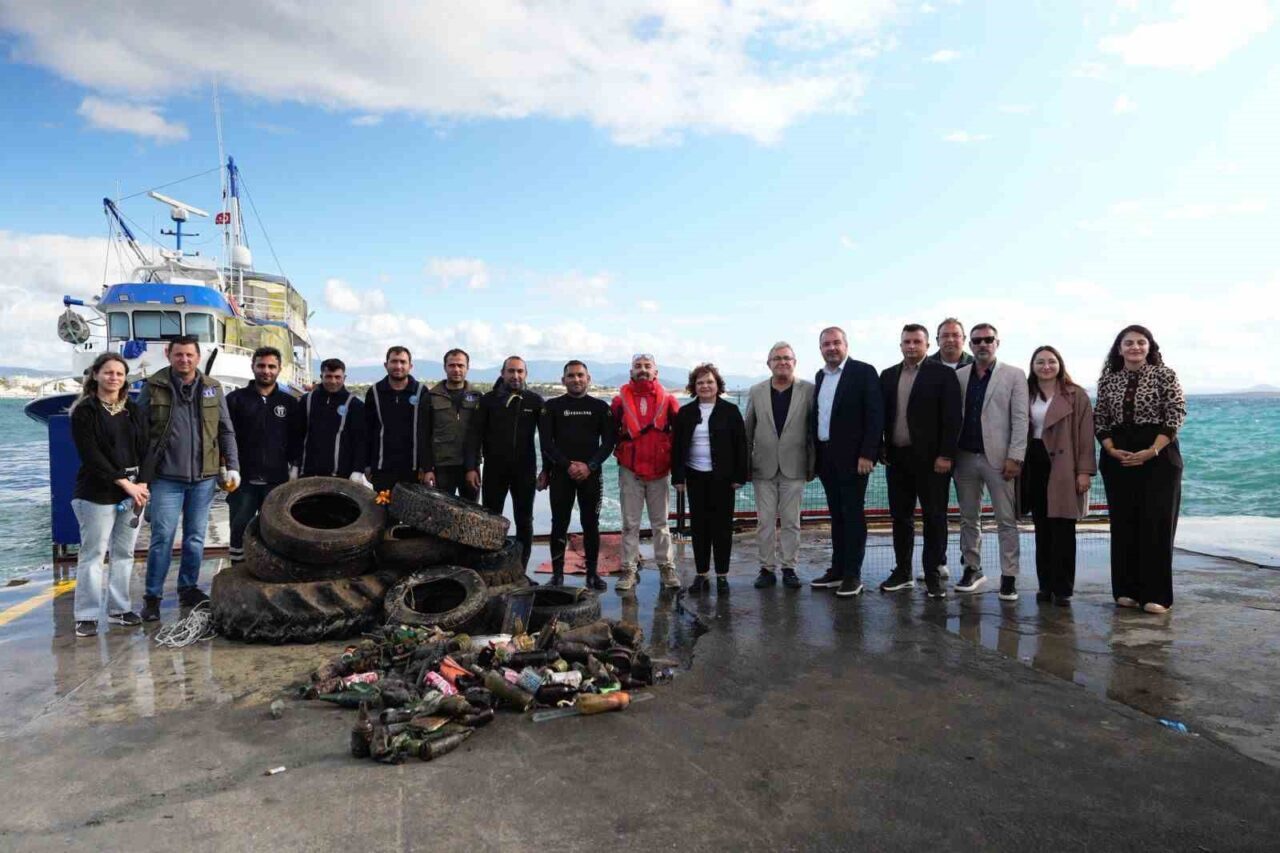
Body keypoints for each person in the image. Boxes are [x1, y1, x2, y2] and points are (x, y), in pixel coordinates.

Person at [137, 335, 239, 621]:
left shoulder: (212, 387)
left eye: (189, 355)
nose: (184, 359)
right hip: (165, 478)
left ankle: (188, 588)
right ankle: (152, 597)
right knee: (162, 538)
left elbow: (225, 429)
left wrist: (232, 465)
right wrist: (140, 474)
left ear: (198, 357)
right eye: (179, 355)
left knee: (195, 538)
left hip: (203, 479)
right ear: (169, 355)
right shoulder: (153, 386)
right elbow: (139, 430)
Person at [1095, 325, 1185, 614]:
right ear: (1119, 348)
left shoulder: (1165, 375)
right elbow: (1100, 419)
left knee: (1156, 524)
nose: (1135, 347)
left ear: (1149, 347)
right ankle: (1126, 590)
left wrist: (1152, 451)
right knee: (1124, 523)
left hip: (1159, 455)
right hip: (1118, 456)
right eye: (1129, 343)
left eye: (1141, 342)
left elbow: (1176, 413)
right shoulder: (1108, 380)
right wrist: (1110, 449)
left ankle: (1156, 595)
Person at [878, 324, 962, 599]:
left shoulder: (943, 375)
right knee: (900, 518)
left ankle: (933, 574)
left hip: (932, 461)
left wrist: (946, 455)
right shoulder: (888, 375)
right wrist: (880, 448)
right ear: (900, 345)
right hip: (897, 459)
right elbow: (881, 416)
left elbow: (952, 418)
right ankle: (903, 572)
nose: (911, 346)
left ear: (928, 345)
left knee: (934, 518)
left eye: (917, 341)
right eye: (907, 342)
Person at [68, 353, 150, 637]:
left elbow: (147, 449)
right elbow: (91, 455)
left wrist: (143, 483)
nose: (114, 377)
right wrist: (126, 484)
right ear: (96, 375)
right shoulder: (85, 411)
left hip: (134, 492)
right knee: (93, 554)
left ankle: (119, 610)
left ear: (125, 379)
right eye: (108, 372)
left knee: (124, 553)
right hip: (97, 492)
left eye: (119, 373)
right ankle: (86, 615)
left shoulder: (133, 410)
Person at [954, 323, 1028, 600]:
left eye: (988, 339)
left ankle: (1009, 576)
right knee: (968, 518)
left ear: (997, 342)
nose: (983, 344)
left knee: (1005, 519)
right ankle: (972, 568)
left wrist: (1015, 456)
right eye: (977, 340)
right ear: (970, 345)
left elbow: (1020, 418)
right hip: (964, 456)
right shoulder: (960, 376)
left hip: (999, 459)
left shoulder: (1014, 375)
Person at [1021, 345, 1096, 605]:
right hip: (1034, 461)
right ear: (1032, 366)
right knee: (1041, 528)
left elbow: (1086, 436)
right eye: (1040, 362)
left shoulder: (1076, 395)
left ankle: (1063, 589)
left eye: (1051, 361)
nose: (1046, 366)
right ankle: (1045, 586)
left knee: (1063, 528)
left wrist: (1084, 471)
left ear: (1060, 364)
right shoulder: (1025, 393)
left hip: (1064, 464)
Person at [811, 327, 883, 598]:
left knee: (853, 514)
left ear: (846, 345)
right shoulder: (820, 376)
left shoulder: (863, 372)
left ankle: (853, 575)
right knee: (837, 515)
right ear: (820, 349)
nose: (831, 348)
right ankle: (838, 569)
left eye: (836, 343)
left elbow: (875, 415)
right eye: (826, 344)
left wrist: (868, 453)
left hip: (854, 458)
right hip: (826, 456)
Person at [743, 342, 814, 589]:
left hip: (795, 466)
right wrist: (745, 466)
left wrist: (813, 465)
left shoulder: (809, 390)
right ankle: (766, 569)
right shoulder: (756, 391)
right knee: (765, 522)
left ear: (794, 362)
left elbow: (813, 430)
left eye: (787, 358)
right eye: (777, 358)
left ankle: (789, 568)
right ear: (769, 363)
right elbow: (747, 430)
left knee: (791, 522)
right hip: (763, 467)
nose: (782, 362)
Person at [672, 364, 748, 595]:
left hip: (723, 479)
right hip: (695, 477)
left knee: (722, 528)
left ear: (717, 385)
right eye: (700, 382)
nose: (705, 386)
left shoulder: (730, 411)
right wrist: (678, 477)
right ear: (694, 387)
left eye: (709, 382)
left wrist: (740, 476)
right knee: (699, 528)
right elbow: (677, 448)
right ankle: (702, 574)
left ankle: (722, 575)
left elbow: (741, 445)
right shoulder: (685, 413)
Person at [539, 360, 616, 589]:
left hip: (591, 475)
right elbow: (546, 443)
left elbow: (608, 443)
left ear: (588, 379)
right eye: (571, 376)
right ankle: (557, 576)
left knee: (590, 523)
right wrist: (566, 465)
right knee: (559, 523)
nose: (576, 379)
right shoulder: (551, 406)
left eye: (580, 375)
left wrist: (589, 466)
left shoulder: (600, 407)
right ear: (563, 380)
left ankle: (592, 574)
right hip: (561, 474)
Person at [611, 353, 682, 592]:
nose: (642, 370)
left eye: (647, 366)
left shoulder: (669, 401)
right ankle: (628, 569)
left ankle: (666, 567)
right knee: (629, 524)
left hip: (659, 471)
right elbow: (609, 432)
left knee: (660, 524)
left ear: (655, 372)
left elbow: (681, 435)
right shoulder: (619, 401)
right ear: (631, 371)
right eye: (638, 366)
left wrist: (679, 469)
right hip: (630, 470)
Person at [465, 356, 545, 569]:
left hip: (525, 470)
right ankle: (490, 567)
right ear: (502, 373)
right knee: (491, 520)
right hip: (494, 470)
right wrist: (472, 467)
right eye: (511, 371)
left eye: (520, 371)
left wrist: (547, 469)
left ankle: (521, 568)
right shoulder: (488, 400)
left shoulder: (534, 401)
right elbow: (475, 436)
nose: (515, 375)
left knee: (524, 520)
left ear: (525, 374)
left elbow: (547, 439)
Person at [225, 347, 301, 562]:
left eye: (271, 366)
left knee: (276, 529)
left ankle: (272, 568)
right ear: (253, 367)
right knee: (239, 527)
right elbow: (224, 436)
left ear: (279, 369)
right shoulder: (235, 399)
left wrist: (295, 466)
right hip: (243, 480)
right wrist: (226, 467)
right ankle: (237, 568)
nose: (266, 371)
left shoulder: (289, 403)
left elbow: (296, 438)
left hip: (277, 480)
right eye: (261, 366)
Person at [925, 316, 973, 580]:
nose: (950, 340)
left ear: (963, 339)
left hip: (969, 448)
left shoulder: (976, 365)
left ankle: (970, 562)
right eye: (945, 335)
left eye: (956, 335)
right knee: (935, 510)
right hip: (936, 452)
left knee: (970, 511)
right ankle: (937, 561)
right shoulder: (926, 366)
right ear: (937, 340)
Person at [419, 348, 482, 501]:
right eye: (452, 365)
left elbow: (481, 434)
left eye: (460, 365)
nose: (456, 369)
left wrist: (474, 466)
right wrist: (427, 469)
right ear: (445, 367)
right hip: (441, 467)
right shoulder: (431, 397)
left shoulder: (477, 397)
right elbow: (423, 435)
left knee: (472, 512)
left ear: (467, 367)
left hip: (470, 467)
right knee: (440, 511)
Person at [294, 358, 369, 482]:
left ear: (344, 378)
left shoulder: (355, 405)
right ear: (321, 377)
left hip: (341, 476)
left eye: (337, 377)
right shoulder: (306, 401)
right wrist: (295, 465)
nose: (333, 381)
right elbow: (298, 435)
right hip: (308, 474)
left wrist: (358, 469)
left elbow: (360, 441)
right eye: (328, 376)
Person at [365, 345, 423, 493]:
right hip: (382, 469)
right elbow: (367, 431)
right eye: (394, 361)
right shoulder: (374, 392)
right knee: (382, 507)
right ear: (386, 365)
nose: (398, 366)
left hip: (413, 470)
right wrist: (367, 464)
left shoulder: (421, 392)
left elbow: (426, 431)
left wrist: (427, 467)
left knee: (412, 508)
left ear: (410, 366)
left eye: (403, 362)